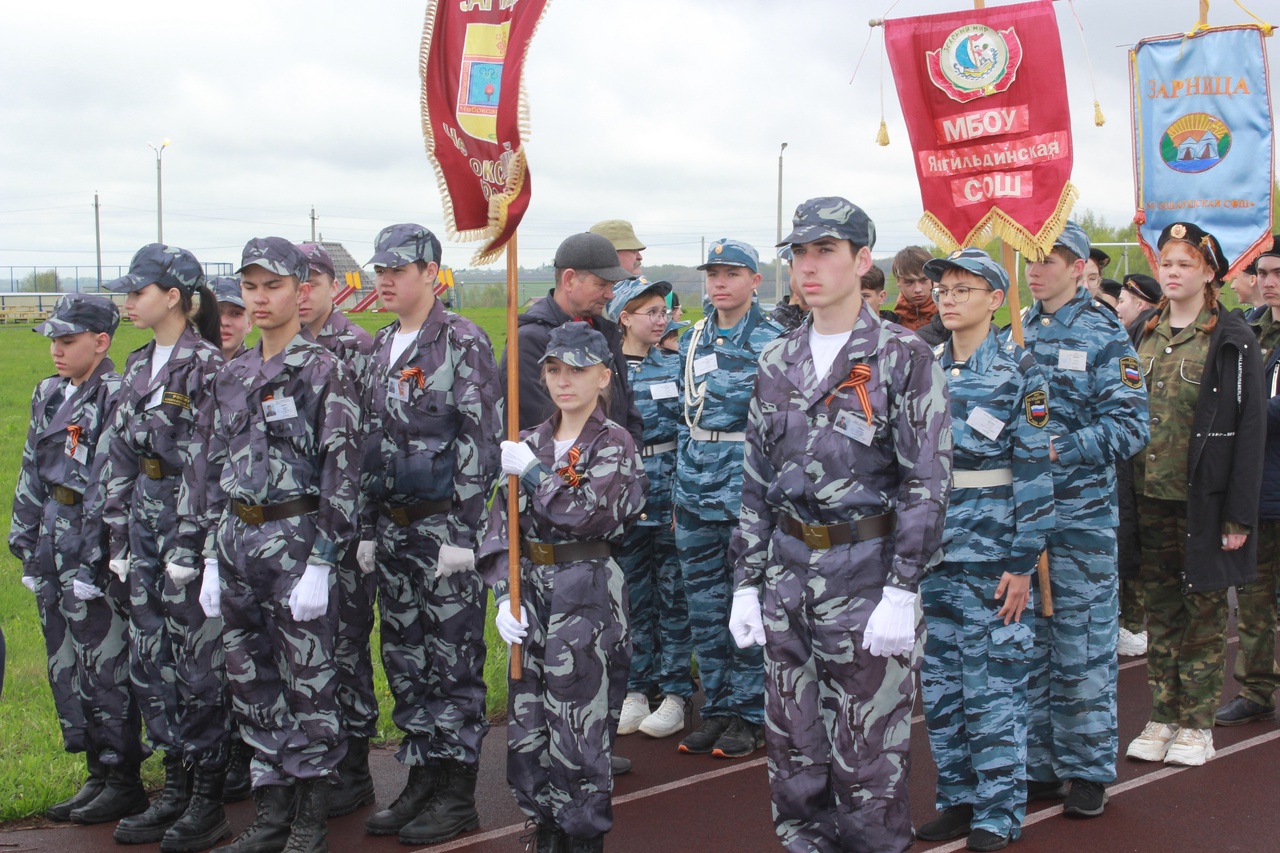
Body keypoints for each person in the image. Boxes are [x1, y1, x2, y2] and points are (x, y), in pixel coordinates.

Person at [730, 197, 951, 852]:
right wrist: (746, 582)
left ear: (862, 260)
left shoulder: (905, 357)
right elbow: (756, 480)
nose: (809, 265)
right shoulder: (777, 361)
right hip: (789, 576)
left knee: (868, 760)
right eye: (799, 252)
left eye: (825, 250)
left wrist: (903, 590)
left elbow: (926, 482)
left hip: (868, 576)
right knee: (794, 751)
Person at [185, 237, 362, 853]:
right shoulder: (230, 373)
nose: (259, 300)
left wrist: (323, 561)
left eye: (273, 287)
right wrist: (209, 552)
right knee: (249, 681)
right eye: (250, 287)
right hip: (236, 541)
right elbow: (211, 464)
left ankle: (310, 818)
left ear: (300, 291)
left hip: (295, 545)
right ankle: (271, 810)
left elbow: (343, 471)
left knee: (308, 683)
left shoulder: (323, 368)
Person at [478, 322, 647, 853]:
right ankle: (544, 825)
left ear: (603, 377)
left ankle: (581, 836)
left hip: (587, 595)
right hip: (532, 595)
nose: (563, 381)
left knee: (579, 727)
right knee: (528, 729)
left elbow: (587, 516)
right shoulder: (529, 442)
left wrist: (531, 474)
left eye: (577, 370)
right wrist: (504, 593)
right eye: (553, 369)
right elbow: (498, 530)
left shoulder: (614, 444)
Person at [356, 224, 500, 844]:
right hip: (394, 532)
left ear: (430, 274)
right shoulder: (380, 345)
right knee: (405, 660)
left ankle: (456, 793)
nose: (383, 281)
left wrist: (467, 533)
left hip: (445, 531)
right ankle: (420, 776)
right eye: (378, 271)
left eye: (396, 271)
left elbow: (479, 438)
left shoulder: (462, 342)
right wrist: (365, 526)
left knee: (452, 662)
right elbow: (365, 443)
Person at [84, 244, 230, 849]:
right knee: (151, 660)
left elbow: (210, 462)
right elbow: (118, 455)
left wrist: (196, 544)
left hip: (185, 533)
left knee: (198, 664)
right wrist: (117, 533)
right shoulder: (140, 362)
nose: (128, 301)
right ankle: (173, 782)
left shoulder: (207, 367)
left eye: (139, 291)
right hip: (143, 532)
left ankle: (207, 796)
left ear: (174, 296)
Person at [914, 250, 1054, 852]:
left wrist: (1023, 564)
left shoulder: (1021, 372)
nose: (948, 299)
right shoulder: (925, 367)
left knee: (994, 687)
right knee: (943, 689)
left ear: (996, 300)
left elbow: (1035, 477)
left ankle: (999, 811)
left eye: (964, 289)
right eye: (943, 288)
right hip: (934, 557)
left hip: (994, 558)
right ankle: (959, 798)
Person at [1017, 222, 1149, 815]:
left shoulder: (1102, 335)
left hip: (1081, 521)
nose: (1037, 269)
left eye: (1051, 258)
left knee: (1085, 646)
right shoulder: (1017, 332)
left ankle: (1090, 768)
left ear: (1078, 267)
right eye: (1030, 259)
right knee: (1033, 646)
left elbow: (1130, 428)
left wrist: (1059, 447)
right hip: (1027, 518)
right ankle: (1041, 764)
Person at [1122, 222, 1263, 766]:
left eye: (1184, 264)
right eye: (1166, 263)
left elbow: (1249, 433)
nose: (1172, 273)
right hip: (1147, 496)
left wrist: (1238, 516)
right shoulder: (1144, 333)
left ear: (1209, 272)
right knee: (1160, 612)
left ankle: (1196, 724)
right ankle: (1163, 713)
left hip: (1204, 501)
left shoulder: (1231, 338)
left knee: (1203, 612)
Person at [9, 295, 150, 825]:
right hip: (52, 539)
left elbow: (110, 481)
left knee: (105, 664)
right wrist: (25, 540)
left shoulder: (114, 394)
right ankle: (95, 769)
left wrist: (97, 558)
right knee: (65, 663)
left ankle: (123, 776)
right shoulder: (48, 392)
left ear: (100, 341)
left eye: (67, 341)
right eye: (53, 340)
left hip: (89, 545)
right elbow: (31, 468)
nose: (56, 351)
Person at [675, 238, 782, 759]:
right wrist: (678, 486)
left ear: (755, 282)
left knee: (748, 603)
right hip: (695, 492)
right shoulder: (692, 339)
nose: (719, 282)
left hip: (746, 491)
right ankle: (716, 706)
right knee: (704, 606)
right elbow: (685, 420)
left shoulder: (775, 339)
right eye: (713, 273)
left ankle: (748, 712)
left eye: (732, 273)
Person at [292, 240, 382, 819]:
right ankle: (314, 764)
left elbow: (371, 444)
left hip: (347, 529)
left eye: (309, 283)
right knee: (304, 653)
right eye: (289, 285)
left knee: (346, 646)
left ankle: (353, 769)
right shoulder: (278, 347)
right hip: (294, 530)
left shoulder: (356, 347)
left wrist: (367, 527)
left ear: (332, 286)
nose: (300, 296)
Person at [608, 277, 695, 740]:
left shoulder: (678, 365)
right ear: (624, 317)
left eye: (664, 311)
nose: (662, 319)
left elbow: (688, 432)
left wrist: (683, 493)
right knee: (632, 598)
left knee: (673, 594)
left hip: (670, 494)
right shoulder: (606, 370)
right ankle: (636, 688)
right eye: (651, 312)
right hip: (624, 500)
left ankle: (676, 692)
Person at [1216, 235, 1280, 727]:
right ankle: (1258, 689)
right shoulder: (1250, 330)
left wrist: (1246, 410)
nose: (1269, 284)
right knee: (1254, 596)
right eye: (1263, 275)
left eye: (1278, 275)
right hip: (1257, 486)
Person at [500, 232, 642, 444]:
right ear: (569, 280)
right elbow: (546, 426)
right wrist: (602, 463)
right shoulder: (529, 341)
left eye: (611, 286)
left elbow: (628, 413)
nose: (610, 294)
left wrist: (626, 461)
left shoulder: (607, 334)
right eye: (602, 284)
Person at [1115, 273, 1162, 660]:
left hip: (1151, 465)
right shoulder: (1130, 336)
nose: (1117, 305)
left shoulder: (1142, 335)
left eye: (1124, 299)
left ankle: (1130, 621)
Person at [210, 276, 251, 362]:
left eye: (235, 314)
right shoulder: (184, 370)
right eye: (216, 313)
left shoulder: (263, 372)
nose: (224, 322)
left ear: (249, 324)